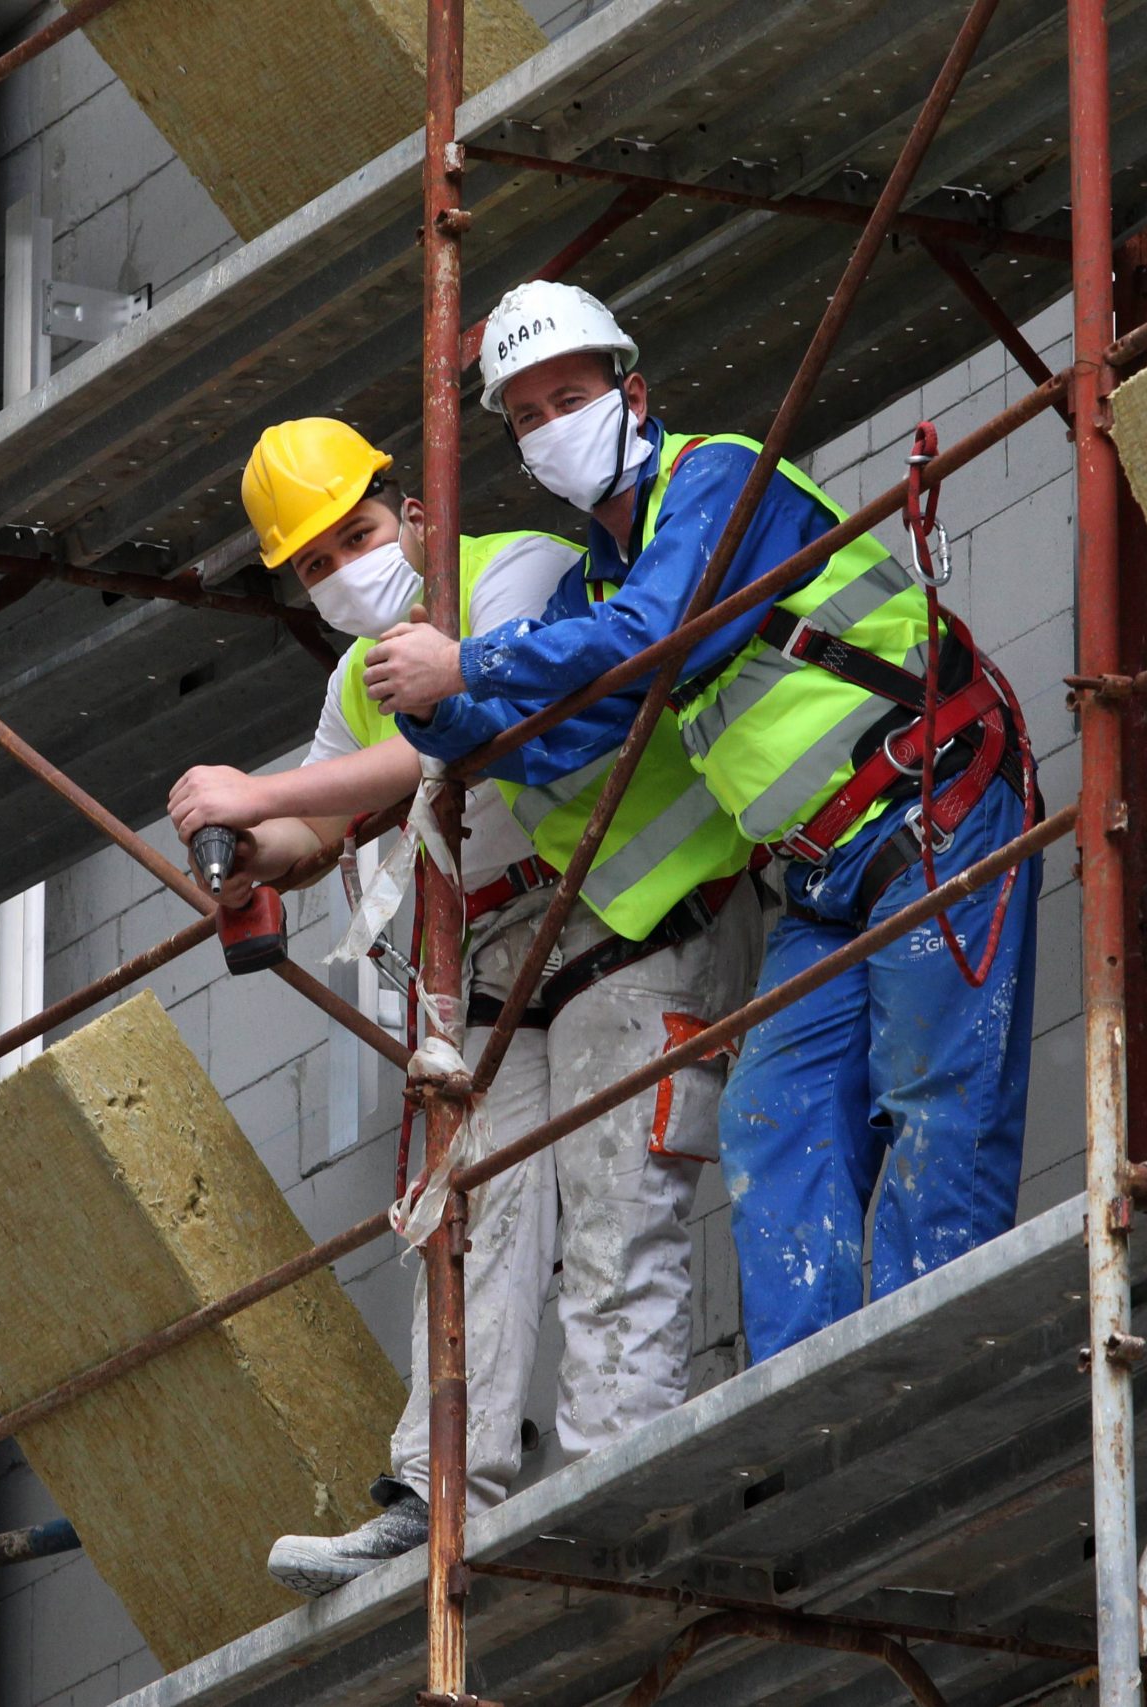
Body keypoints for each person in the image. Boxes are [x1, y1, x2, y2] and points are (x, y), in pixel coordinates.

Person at [375, 280, 1041, 1366]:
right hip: (823, 876)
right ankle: (811, 1387)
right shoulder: (600, 577)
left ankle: (937, 1369)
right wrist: (446, 713)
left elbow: (658, 636)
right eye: (527, 415)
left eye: (569, 395)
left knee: (935, 1101)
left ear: (632, 394)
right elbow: (549, 740)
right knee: (771, 1118)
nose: (551, 427)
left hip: (931, 807)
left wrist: (468, 661)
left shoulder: (718, 478)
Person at [167, 416, 758, 1596]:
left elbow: (436, 752)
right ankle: (437, 1488)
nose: (346, 571)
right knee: (472, 1232)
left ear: (417, 512)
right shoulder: (353, 676)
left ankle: (614, 1478)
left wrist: (264, 786)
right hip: (496, 971)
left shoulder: (521, 572)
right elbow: (320, 824)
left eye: (360, 534)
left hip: (631, 925)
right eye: (318, 562)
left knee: (615, 1210)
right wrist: (243, 839)